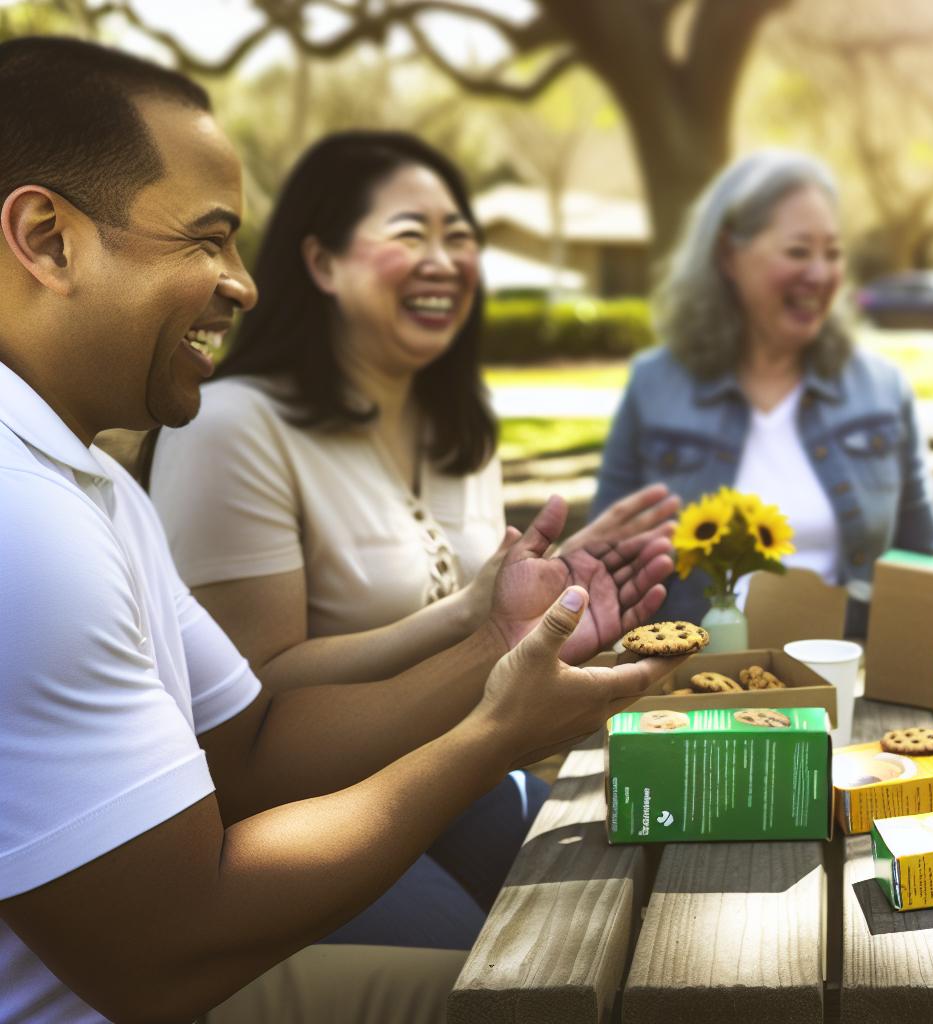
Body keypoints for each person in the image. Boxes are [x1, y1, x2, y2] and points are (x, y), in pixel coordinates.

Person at [0, 37, 678, 1023]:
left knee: (565, 981)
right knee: (535, 991)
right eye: (206, 237)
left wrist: (499, 645)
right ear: (48, 240)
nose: (242, 281)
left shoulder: (93, 477)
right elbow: (165, 956)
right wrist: (494, 733)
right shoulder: (25, 524)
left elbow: (255, 745)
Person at [146, 131, 678, 950]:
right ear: (323, 263)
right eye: (410, 235)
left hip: (461, 768)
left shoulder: (465, 433)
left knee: (630, 907)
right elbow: (249, 699)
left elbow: (494, 637)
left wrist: (553, 600)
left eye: (461, 239)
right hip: (298, 811)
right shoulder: (234, 427)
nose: (445, 260)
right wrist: (472, 618)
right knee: (480, 965)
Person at [594, 150, 933, 627]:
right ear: (727, 255)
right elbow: (605, 566)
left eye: (833, 252)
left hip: (847, 680)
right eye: (798, 251)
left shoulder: (883, 392)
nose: (820, 274)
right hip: (686, 687)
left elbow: (924, 567)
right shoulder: (653, 387)